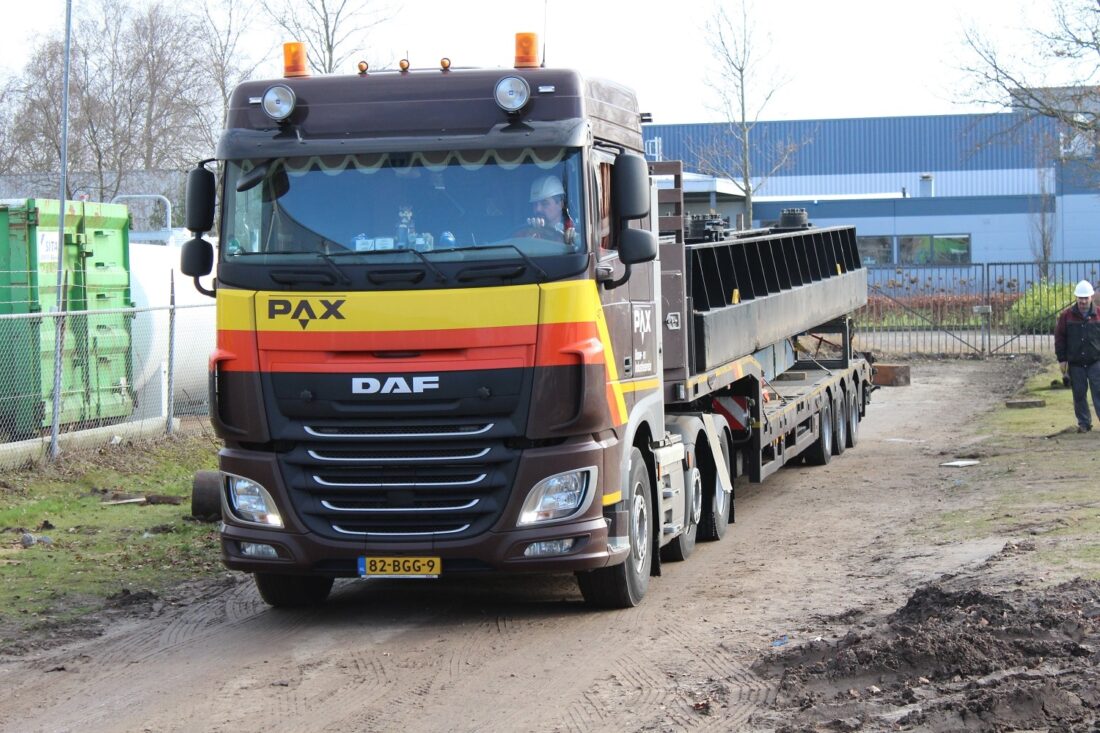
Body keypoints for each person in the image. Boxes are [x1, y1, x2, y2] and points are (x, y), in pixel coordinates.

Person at [1055, 279, 1100, 432]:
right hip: (1075, 364)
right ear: (1076, 298)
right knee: (1079, 395)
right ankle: (1084, 424)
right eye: (1080, 298)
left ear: (1091, 298)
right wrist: (1062, 360)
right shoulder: (1066, 316)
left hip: (1096, 362)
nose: (1082, 301)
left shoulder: (1099, 315)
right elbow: (1060, 338)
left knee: (1099, 392)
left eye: (1085, 298)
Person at [525, 175, 575, 244]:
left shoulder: (573, 233)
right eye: (535, 204)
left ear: (560, 204)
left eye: (544, 203)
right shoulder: (527, 231)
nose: (538, 209)